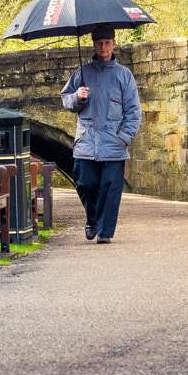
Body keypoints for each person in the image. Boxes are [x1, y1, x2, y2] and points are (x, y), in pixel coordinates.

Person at [60, 23, 141, 243]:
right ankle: (92, 219)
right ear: (94, 45)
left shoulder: (124, 76)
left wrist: (123, 137)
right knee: (84, 183)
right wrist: (78, 96)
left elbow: (134, 112)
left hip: (114, 144)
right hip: (86, 141)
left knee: (110, 189)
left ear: (114, 44)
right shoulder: (82, 73)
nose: (103, 47)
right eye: (99, 43)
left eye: (107, 43)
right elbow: (66, 100)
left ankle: (104, 233)